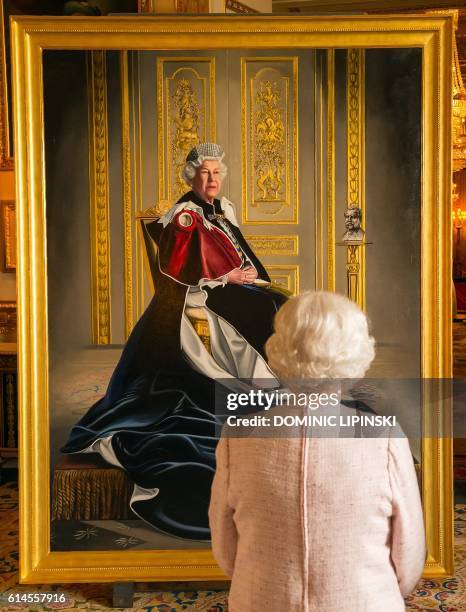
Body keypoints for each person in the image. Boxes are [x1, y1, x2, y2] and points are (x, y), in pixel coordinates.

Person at [60, 143, 286, 540]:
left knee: (276, 302)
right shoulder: (185, 215)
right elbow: (176, 269)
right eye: (205, 174)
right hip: (194, 297)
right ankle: (259, 386)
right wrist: (227, 279)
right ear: (191, 177)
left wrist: (246, 273)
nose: (212, 180)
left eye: (217, 173)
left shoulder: (223, 210)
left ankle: (278, 382)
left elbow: (237, 253)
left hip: (226, 288)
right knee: (263, 312)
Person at [209, 290, 426, 611]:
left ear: (280, 349)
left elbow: (225, 551)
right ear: (356, 353)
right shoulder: (385, 438)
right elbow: (408, 558)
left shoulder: (236, 436)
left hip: (262, 600)